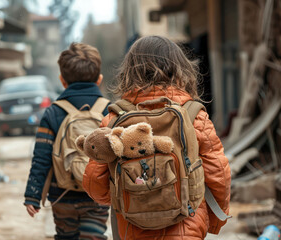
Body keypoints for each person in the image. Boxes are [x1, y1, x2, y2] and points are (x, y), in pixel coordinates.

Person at [82, 35, 231, 239]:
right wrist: (214, 220)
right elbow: (218, 174)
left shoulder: (114, 119)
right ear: (180, 69)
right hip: (187, 224)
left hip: (133, 228)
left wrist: (126, 197)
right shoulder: (193, 114)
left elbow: (95, 183)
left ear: (129, 71)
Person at [24, 43, 110, 240]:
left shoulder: (54, 112)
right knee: (94, 236)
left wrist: (33, 195)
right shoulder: (109, 110)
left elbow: (41, 157)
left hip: (61, 194)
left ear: (62, 81)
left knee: (65, 236)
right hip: (98, 195)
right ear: (99, 80)